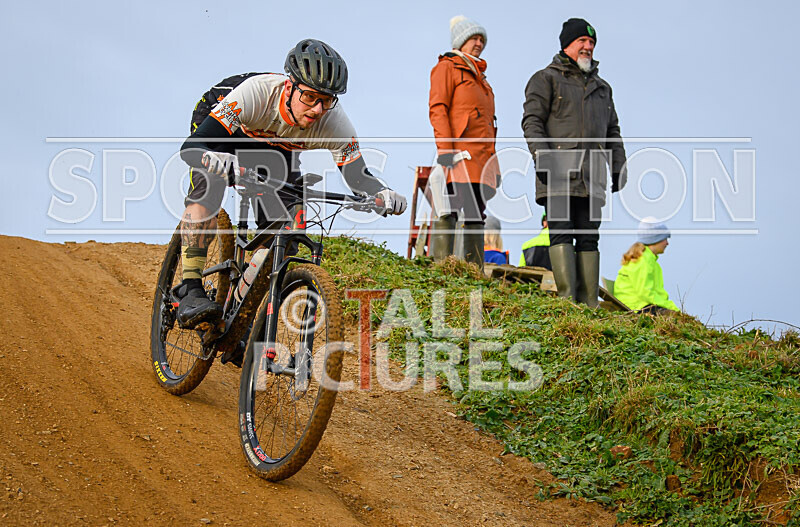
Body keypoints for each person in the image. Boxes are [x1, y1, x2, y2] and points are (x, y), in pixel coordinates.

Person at [175, 39, 407, 329]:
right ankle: (190, 288)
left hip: (275, 148)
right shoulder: (257, 94)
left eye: (327, 100)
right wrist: (213, 158)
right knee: (209, 188)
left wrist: (381, 193)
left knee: (286, 226)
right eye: (310, 97)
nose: (317, 109)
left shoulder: (334, 123)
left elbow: (358, 178)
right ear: (290, 86)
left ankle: (241, 309)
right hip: (226, 130)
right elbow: (192, 147)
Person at [521, 18, 627, 307]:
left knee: (589, 237)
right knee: (562, 232)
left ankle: (589, 304)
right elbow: (532, 122)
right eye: (582, 41)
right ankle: (568, 301)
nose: (588, 47)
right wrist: (541, 156)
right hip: (556, 172)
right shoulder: (545, 79)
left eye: (591, 42)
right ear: (566, 44)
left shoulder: (603, 88)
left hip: (592, 177)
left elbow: (612, 131)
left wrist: (619, 165)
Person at [428, 15, 500, 268]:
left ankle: (472, 272)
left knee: (476, 211)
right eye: (474, 38)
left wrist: (495, 166)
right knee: (451, 205)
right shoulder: (447, 68)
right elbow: (438, 108)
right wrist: (445, 149)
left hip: (482, 158)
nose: (479, 43)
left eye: (482, 39)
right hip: (459, 154)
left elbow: (489, 125)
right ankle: (442, 266)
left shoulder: (482, 79)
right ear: (460, 41)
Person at [614, 218, 679, 314]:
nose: (667, 243)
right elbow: (645, 292)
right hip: (636, 307)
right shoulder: (642, 261)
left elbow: (657, 292)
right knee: (673, 317)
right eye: (665, 238)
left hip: (643, 304)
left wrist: (670, 306)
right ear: (656, 239)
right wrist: (671, 308)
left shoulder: (650, 261)